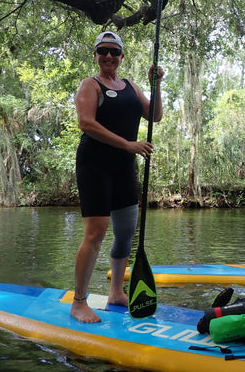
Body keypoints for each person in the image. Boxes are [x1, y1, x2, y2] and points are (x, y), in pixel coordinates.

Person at [71, 31, 164, 323]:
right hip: (95, 164)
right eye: (103, 51)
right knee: (96, 232)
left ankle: (115, 292)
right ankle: (79, 301)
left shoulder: (132, 87)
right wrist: (128, 145)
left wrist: (156, 85)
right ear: (96, 55)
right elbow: (86, 123)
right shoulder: (90, 84)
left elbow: (155, 116)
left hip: (124, 166)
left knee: (125, 232)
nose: (108, 56)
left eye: (114, 51)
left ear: (122, 57)